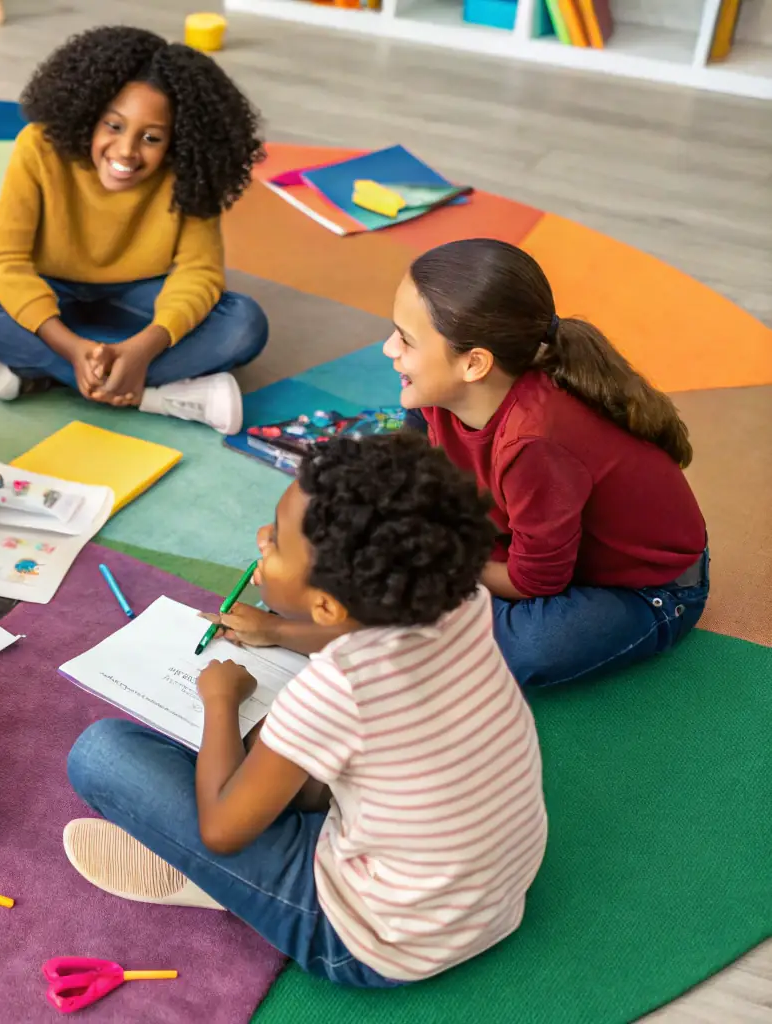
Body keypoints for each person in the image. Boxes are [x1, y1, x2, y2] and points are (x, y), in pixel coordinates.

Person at [63, 435, 547, 986]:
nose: (261, 539)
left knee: (101, 754)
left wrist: (220, 702)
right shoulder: (461, 601)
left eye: (276, 544)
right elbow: (365, 631)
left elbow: (222, 829)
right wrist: (276, 629)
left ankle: (221, 889)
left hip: (368, 942)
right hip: (492, 894)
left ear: (326, 604)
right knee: (282, 762)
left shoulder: (334, 690)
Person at [387, 238, 708, 687]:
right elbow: (403, 475)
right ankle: (443, 610)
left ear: (474, 364)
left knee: (534, 647)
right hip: (534, 547)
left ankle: (440, 614)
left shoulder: (535, 440)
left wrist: (437, 559)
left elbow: (535, 581)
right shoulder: (438, 395)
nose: (389, 348)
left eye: (405, 339)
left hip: (648, 588)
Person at [0, 25, 269, 435]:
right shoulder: (39, 148)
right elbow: (6, 261)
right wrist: (70, 347)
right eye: (113, 126)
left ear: (178, 141)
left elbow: (199, 272)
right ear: (88, 113)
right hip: (48, 290)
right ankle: (156, 397)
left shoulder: (191, 171)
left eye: (151, 137)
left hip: (139, 295)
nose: (127, 151)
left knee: (244, 324)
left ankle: (34, 367)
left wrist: (142, 348)